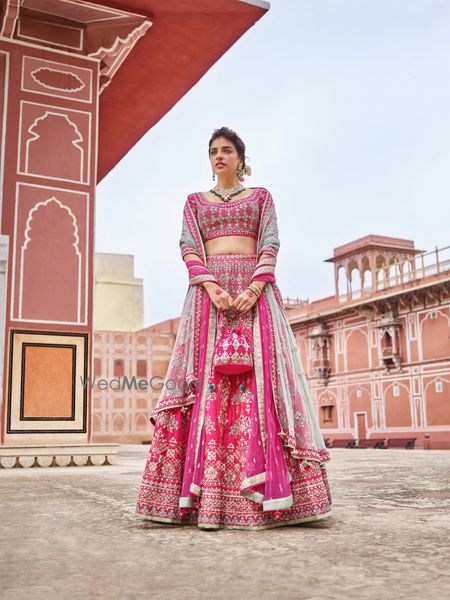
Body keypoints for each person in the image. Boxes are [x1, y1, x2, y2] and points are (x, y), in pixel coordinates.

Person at [135, 126, 332, 530]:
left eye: (227, 150)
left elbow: (271, 243)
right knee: (207, 382)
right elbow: (188, 246)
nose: (219, 156)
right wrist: (209, 285)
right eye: (213, 151)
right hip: (207, 298)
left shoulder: (260, 197)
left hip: (255, 297)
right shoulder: (194, 202)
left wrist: (255, 286)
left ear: (242, 158)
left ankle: (270, 495)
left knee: (261, 383)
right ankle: (198, 497)